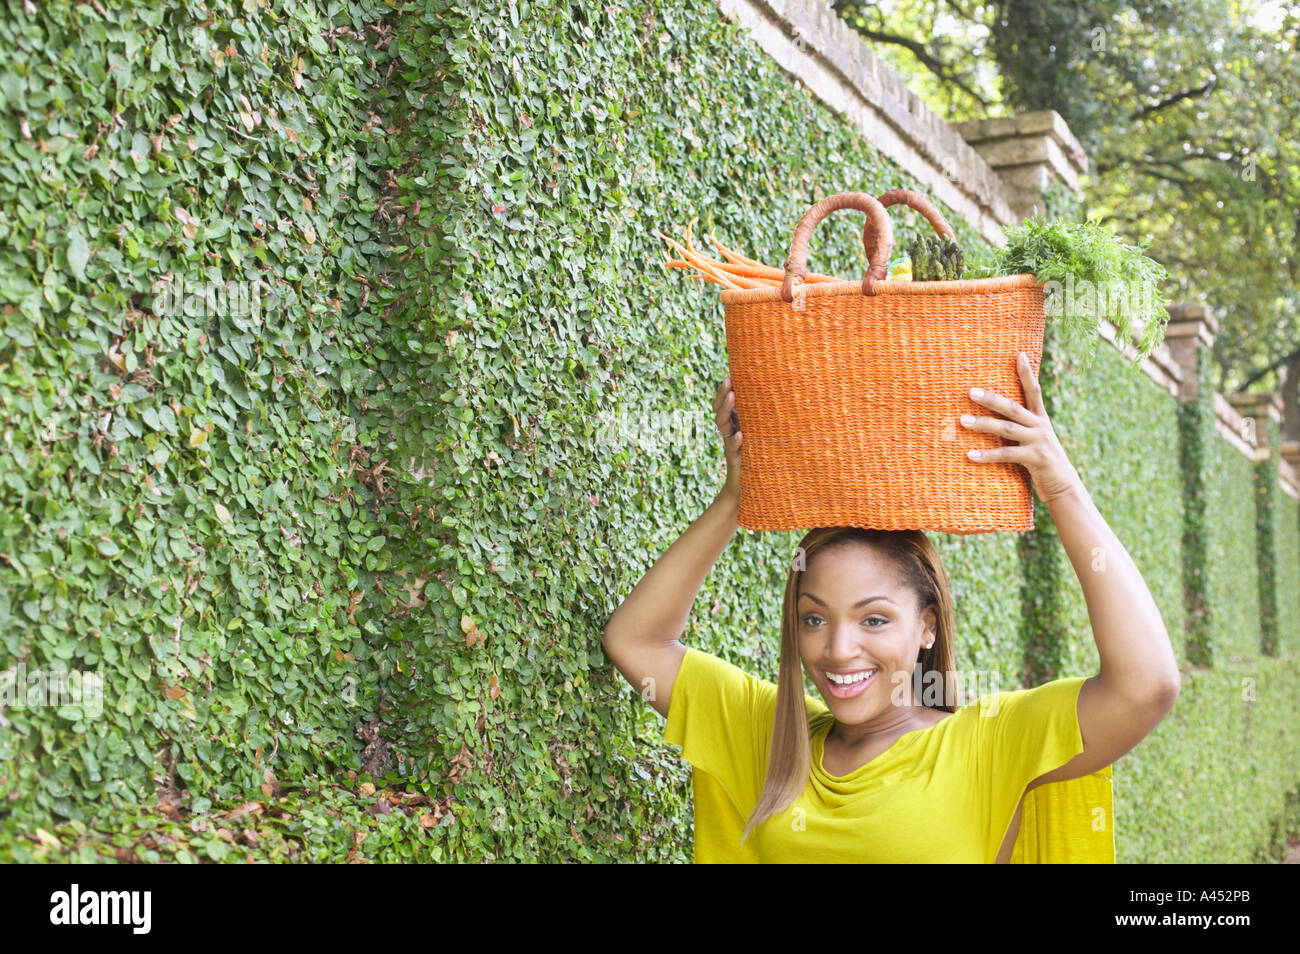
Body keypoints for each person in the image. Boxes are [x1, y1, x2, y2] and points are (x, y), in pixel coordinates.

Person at [602, 353, 1182, 862]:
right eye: (814, 618)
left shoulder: (985, 745)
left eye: (874, 618)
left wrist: (1062, 489)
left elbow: (1145, 686)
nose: (838, 649)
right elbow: (636, 640)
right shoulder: (772, 735)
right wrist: (737, 497)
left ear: (926, 625)